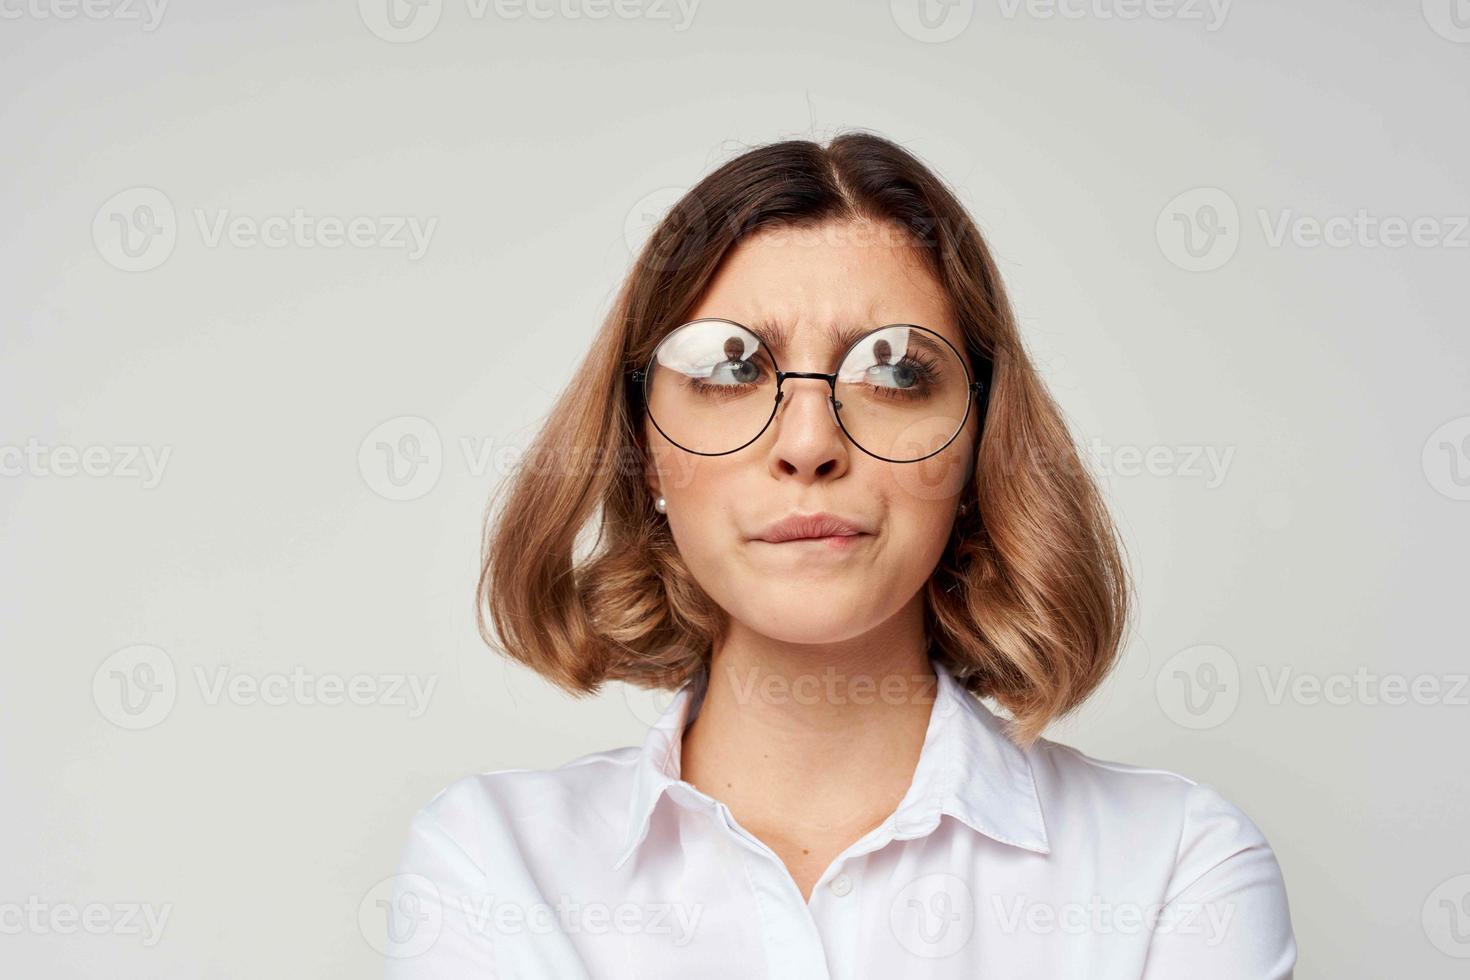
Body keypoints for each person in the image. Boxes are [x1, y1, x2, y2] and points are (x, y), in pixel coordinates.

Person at [382, 131, 1296, 978]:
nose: (810, 442)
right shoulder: (494, 862)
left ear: (979, 440)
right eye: (731, 367)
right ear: (644, 448)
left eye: (896, 369)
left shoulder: (1175, 864)